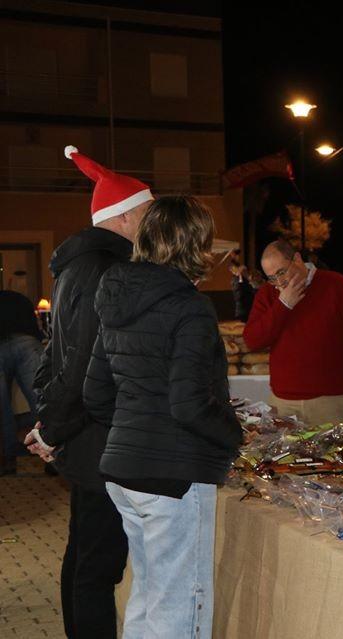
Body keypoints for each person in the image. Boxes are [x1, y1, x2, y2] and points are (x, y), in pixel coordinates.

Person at [83, 195, 242, 639]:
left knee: (148, 596)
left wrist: (136, 422)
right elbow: (189, 404)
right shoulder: (188, 305)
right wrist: (235, 436)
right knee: (178, 606)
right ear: (195, 245)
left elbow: (96, 393)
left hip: (124, 471)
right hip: (172, 475)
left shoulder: (116, 296)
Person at [25, 145, 149, 638]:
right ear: (123, 217)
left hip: (87, 437)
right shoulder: (105, 270)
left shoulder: (80, 266)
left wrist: (50, 423)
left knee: (84, 557)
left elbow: (59, 355)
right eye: (146, 210)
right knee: (98, 567)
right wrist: (52, 428)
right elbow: (82, 366)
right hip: (101, 440)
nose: (151, 219)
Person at [243, 239, 343, 424]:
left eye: (281, 272)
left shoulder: (337, 285)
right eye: (271, 277)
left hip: (332, 400)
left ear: (296, 259)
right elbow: (253, 340)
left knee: (335, 453)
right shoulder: (268, 294)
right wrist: (283, 305)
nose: (279, 281)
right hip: (283, 401)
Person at [0, 290, 43, 474]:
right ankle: (52, 453)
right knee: (40, 399)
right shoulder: (19, 298)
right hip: (27, 344)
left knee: (2, 407)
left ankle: (7, 458)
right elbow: (37, 326)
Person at [228, 250, 264, 321]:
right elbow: (239, 295)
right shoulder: (237, 280)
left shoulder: (245, 279)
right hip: (244, 310)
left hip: (248, 309)